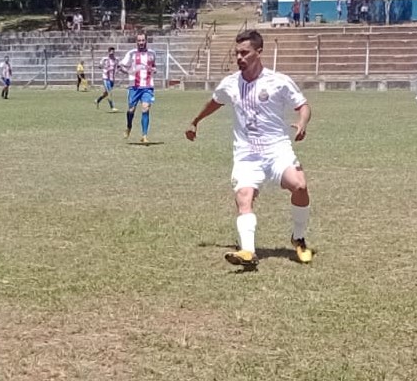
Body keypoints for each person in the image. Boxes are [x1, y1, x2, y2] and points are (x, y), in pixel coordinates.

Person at [184, 30, 314, 269]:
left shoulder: (279, 81)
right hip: (247, 153)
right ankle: (248, 252)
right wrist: (195, 121)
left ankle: (299, 237)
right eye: (237, 54)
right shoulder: (231, 83)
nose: (239, 58)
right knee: (244, 197)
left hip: (277, 149)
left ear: (259, 52)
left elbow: (303, 105)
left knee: (300, 185)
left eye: (245, 53)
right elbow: (216, 101)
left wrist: (303, 123)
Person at [118, 33, 157, 143]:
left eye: (143, 40)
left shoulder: (152, 54)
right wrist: (128, 71)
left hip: (147, 86)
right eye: (139, 40)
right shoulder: (131, 54)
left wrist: (153, 70)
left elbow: (154, 67)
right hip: (134, 86)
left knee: (145, 108)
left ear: (146, 41)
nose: (141, 42)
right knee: (131, 110)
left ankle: (144, 136)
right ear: (136, 42)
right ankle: (129, 126)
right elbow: (121, 65)